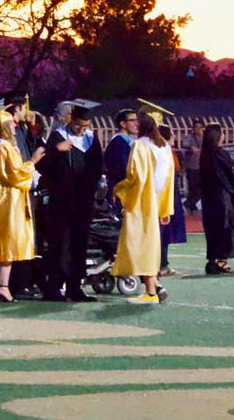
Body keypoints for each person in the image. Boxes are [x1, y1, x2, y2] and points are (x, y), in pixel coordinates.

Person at [39, 100, 103, 300]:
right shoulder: (58, 137)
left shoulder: (91, 139)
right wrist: (57, 150)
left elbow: (98, 167)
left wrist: (97, 185)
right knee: (60, 244)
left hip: (83, 201)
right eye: (78, 126)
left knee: (79, 243)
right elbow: (43, 166)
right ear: (71, 120)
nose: (81, 130)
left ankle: (75, 287)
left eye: (85, 126)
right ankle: (54, 287)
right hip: (62, 201)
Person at [111, 113, 173, 304]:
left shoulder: (140, 146)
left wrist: (118, 189)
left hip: (141, 201)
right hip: (156, 200)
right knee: (149, 245)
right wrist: (165, 208)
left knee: (138, 246)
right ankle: (155, 285)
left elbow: (135, 176)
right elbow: (169, 179)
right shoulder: (164, 146)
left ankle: (150, 292)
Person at [0, 110, 42, 301]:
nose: (15, 129)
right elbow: (15, 173)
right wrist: (32, 162)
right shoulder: (3, 148)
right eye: (11, 125)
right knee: (7, 245)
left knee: (4, 246)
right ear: (4, 128)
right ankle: (2, 287)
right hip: (6, 202)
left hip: (4, 201)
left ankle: (1, 286)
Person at [197, 122, 234, 275]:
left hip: (209, 198)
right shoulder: (220, 153)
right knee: (224, 228)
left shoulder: (205, 154)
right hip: (223, 197)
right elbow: (230, 174)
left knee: (212, 229)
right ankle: (221, 261)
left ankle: (213, 260)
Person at [156, 122, 187, 277]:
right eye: (172, 132)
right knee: (162, 232)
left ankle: (163, 263)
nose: (174, 136)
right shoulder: (163, 151)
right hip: (165, 197)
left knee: (165, 233)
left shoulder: (167, 150)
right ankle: (160, 265)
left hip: (169, 195)